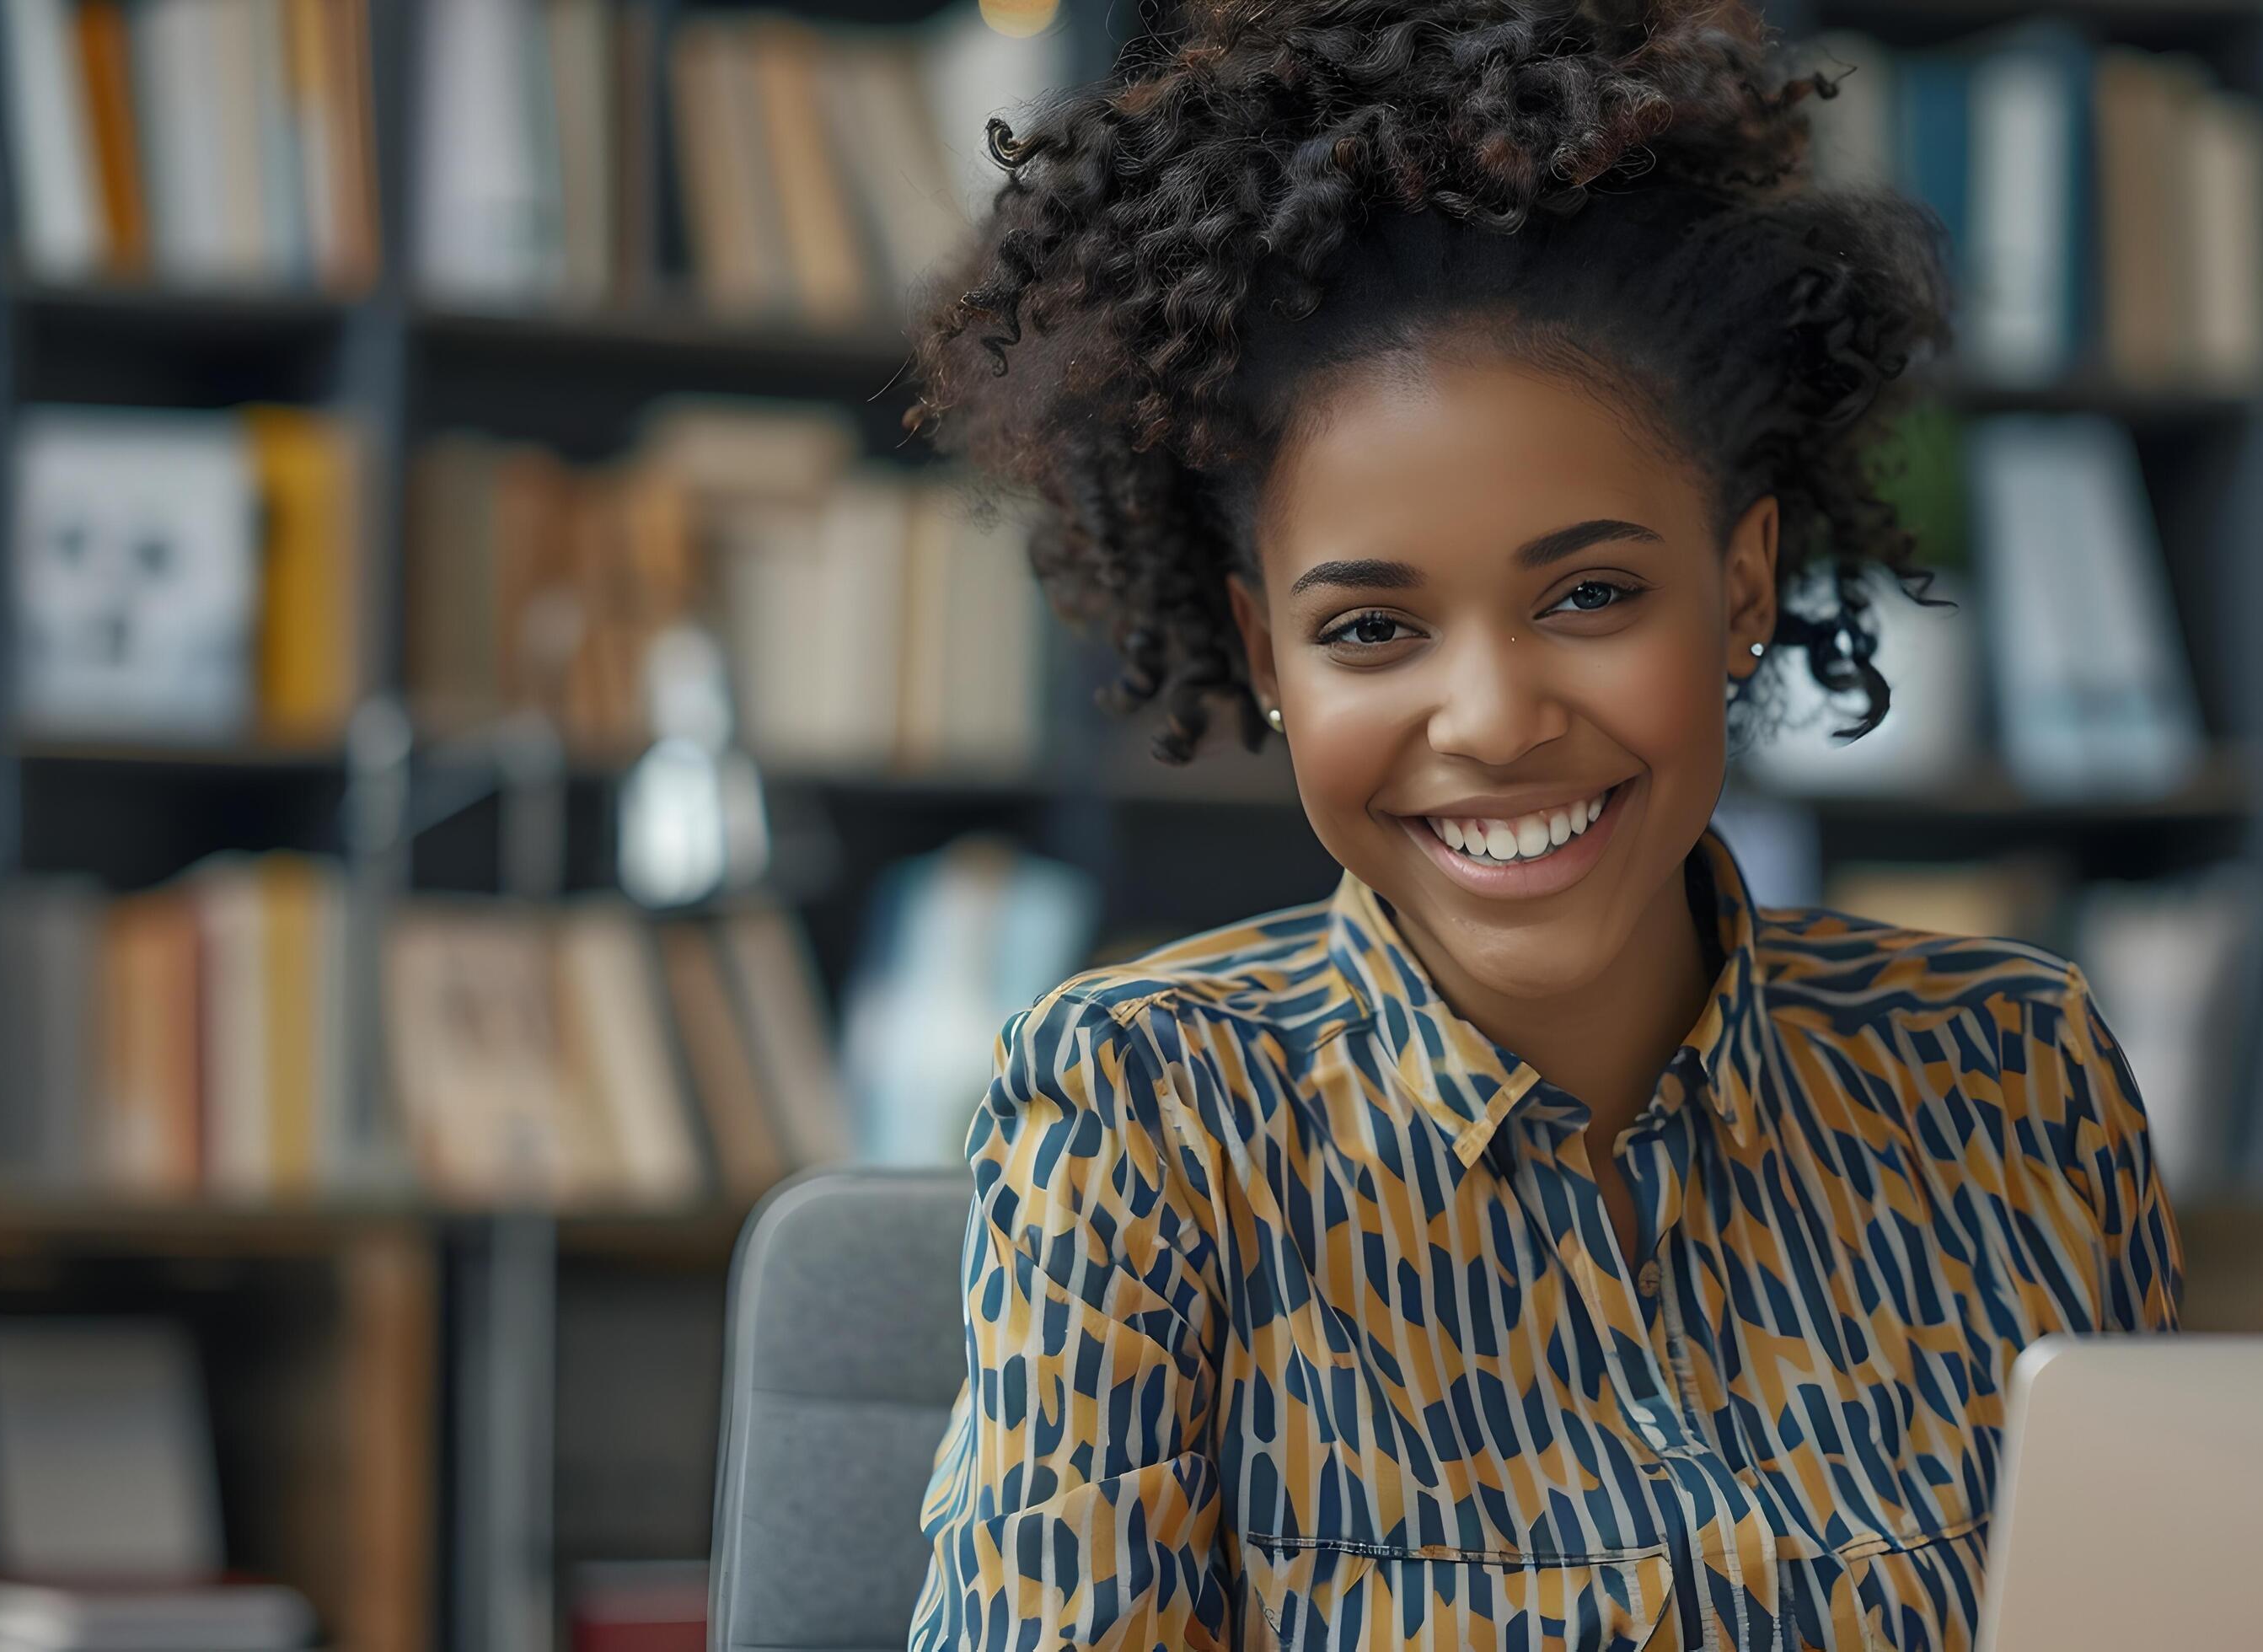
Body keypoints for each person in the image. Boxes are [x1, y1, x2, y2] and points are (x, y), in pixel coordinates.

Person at [903, 1, 2180, 1646]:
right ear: (1262, 652)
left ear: (1740, 590)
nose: (1494, 718)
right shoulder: (1151, 1115)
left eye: (1589, 593)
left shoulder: (2020, 1076)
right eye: (1372, 627)